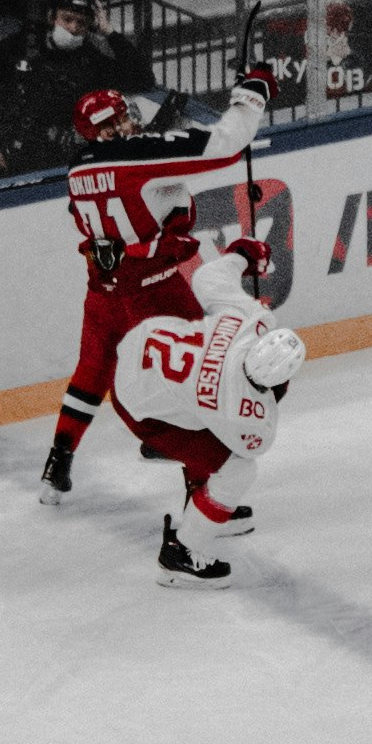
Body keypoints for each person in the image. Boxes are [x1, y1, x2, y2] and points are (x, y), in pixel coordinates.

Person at [40, 65, 274, 505]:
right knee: (194, 382)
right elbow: (223, 146)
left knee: (93, 370)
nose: (129, 123)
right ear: (104, 132)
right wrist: (251, 95)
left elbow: (102, 219)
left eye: (126, 114)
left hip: (105, 290)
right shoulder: (133, 156)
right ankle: (203, 493)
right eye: (117, 120)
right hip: (156, 290)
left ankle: (58, 460)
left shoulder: (76, 169)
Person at [109, 240, 308, 587]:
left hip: (138, 344)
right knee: (237, 471)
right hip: (137, 405)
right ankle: (182, 554)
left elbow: (208, 277)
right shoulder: (244, 413)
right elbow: (250, 447)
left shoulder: (249, 320)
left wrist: (244, 256)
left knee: (206, 424)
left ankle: (202, 505)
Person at [0, 0, 157, 176]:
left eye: (81, 23)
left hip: (49, 159)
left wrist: (110, 33)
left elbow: (143, 79)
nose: (73, 28)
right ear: (52, 17)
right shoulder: (16, 47)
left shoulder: (90, 61)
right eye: (67, 19)